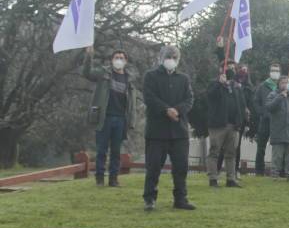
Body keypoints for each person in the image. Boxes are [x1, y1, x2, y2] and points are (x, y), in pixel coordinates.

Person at [142, 45, 195, 211]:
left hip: (179, 132)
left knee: (181, 167)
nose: (170, 60)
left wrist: (177, 110)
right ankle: (149, 198)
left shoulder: (183, 79)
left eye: (174, 57)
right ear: (161, 58)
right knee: (153, 167)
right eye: (168, 57)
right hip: (157, 132)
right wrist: (166, 110)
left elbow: (189, 99)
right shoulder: (150, 76)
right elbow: (149, 97)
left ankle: (180, 199)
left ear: (178, 60)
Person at [82, 46, 135, 187]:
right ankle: (99, 178)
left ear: (126, 61)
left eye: (121, 58)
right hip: (104, 118)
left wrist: (131, 121)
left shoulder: (129, 79)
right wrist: (89, 56)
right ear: (112, 60)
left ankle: (113, 179)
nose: (119, 60)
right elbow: (86, 73)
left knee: (116, 152)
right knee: (101, 150)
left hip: (121, 119)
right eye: (116, 58)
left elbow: (131, 103)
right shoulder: (103, 73)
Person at [206, 60, 249, 188]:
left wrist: (241, 122)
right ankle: (213, 178)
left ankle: (231, 179)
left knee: (231, 153)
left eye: (232, 68)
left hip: (233, 125)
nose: (231, 70)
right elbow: (210, 96)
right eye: (228, 67)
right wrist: (219, 84)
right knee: (214, 151)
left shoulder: (236, 86)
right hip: (218, 124)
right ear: (221, 70)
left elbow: (241, 105)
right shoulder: (214, 83)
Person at [253, 62, 282, 176]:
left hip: (278, 121)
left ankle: (279, 171)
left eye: (277, 71)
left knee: (279, 148)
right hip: (265, 121)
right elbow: (255, 101)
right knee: (261, 147)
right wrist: (262, 112)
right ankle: (259, 171)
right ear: (270, 72)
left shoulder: (283, 86)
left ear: (280, 73)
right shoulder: (262, 86)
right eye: (273, 70)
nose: (275, 73)